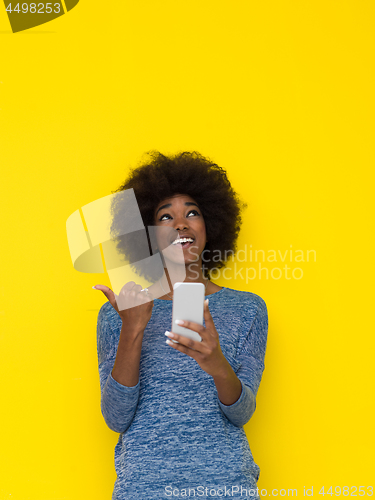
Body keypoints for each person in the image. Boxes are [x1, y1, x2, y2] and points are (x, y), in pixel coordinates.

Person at [93, 151, 268, 499]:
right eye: (165, 217)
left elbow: (242, 413)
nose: (181, 223)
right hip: (143, 488)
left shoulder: (247, 308)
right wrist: (133, 328)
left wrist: (215, 363)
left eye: (192, 212)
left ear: (210, 225)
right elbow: (116, 418)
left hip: (225, 487)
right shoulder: (120, 312)